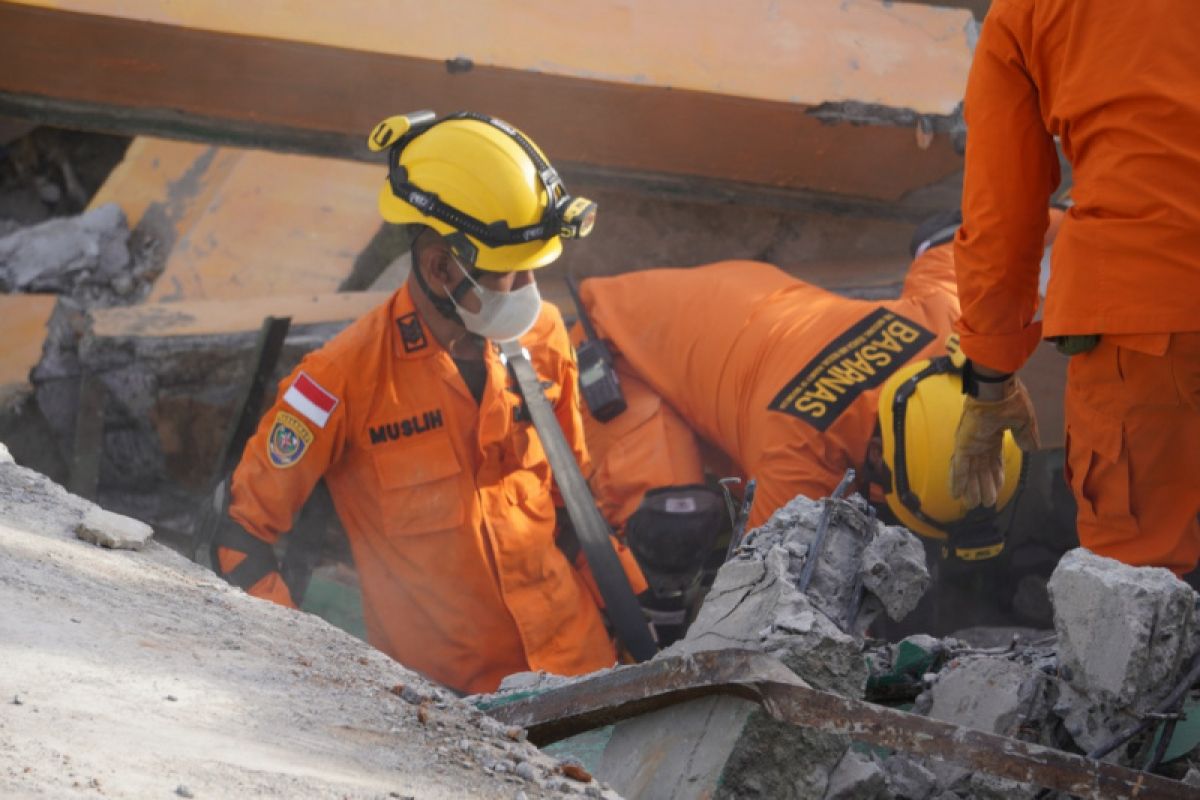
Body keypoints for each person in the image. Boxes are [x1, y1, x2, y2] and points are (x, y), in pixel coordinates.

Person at [212, 111, 645, 695]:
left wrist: (637, 622)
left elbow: (577, 505)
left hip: (582, 670)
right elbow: (239, 537)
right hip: (456, 711)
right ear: (442, 266)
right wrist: (307, 677)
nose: (528, 297)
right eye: (510, 279)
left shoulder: (543, 338)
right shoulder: (339, 380)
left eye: (532, 276)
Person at [572, 215, 1063, 578]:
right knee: (675, 533)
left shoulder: (948, 323)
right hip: (618, 346)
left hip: (746, 305)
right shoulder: (796, 456)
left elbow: (973, 231)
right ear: (875, 456)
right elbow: (755, 597)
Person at [950, 0, 1200, 576]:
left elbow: (1000, 221)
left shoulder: (1025, 11)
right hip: (1141, 311)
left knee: (1139, 594)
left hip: (1141, 318)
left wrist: (989, 382)